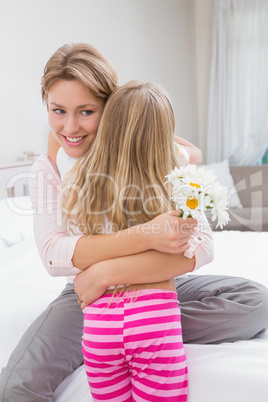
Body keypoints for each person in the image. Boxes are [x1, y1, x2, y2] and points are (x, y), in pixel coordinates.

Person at [0, 42, 267, 402]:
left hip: (149, 285)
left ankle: (139, 332)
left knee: (255, 302)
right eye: (57, 111)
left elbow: (202, 244)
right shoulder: (50, 167)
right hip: (85, 299)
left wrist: (103, 274)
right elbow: (54, 254)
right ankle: (115, 333)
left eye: (87, 111)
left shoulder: (152, 152)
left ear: (111, 109)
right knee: (16, 385)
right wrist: (148, 234)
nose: (70, 127)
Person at [58, 80, 210, 401]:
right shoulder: (178, 179)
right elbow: (190, 154)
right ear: (165, 135)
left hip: (99, 325)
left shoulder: (78, 176)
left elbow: (58, 147)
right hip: (153, 321)